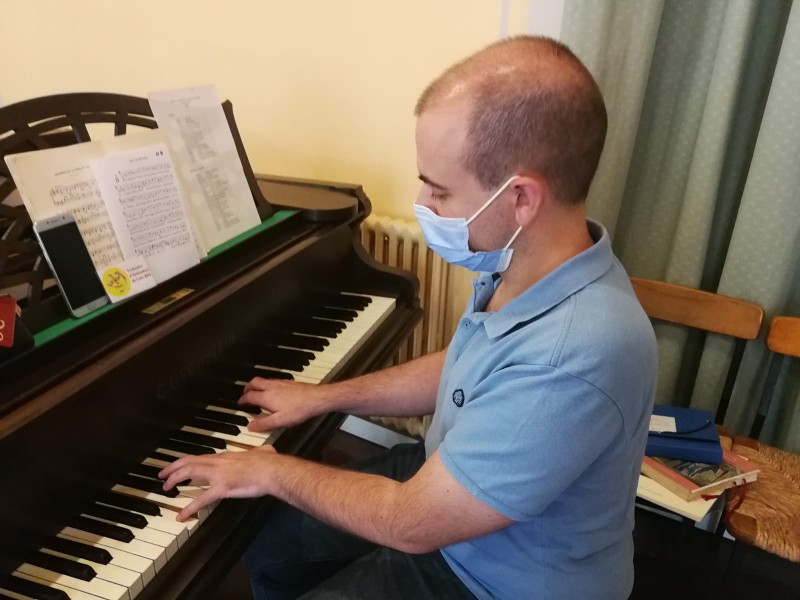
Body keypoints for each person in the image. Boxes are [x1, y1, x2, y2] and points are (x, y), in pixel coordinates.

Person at [160, 35, 657, 599]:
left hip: (493, 579)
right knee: (267, 537)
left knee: (275, 495)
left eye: (439, 190)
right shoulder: (530, 264)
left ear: (521, 199)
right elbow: (464, 366)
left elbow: (411, 523)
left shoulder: (576, 351)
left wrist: (271, 469)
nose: (422, 203)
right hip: (445, 486)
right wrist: (324, 397)